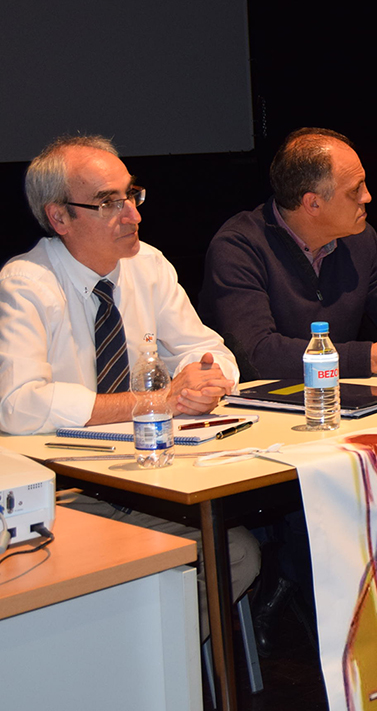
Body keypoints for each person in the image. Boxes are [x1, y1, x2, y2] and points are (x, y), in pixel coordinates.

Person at [0, 135, 258, 629]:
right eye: (107, 203)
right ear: (59, 218)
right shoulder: (25, 284)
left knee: (236, 552)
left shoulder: (149, 265)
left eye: (131, 196)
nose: (133, 216)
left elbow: (209, 350)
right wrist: (155, 400)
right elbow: (18, 405)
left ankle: (159, 684)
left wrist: (205, 380)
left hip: (155, 477)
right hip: (67, 497)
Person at [200, 127, 377, 380]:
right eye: (354, 190)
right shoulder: (239, 247)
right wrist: (371, 358)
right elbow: (255, 355)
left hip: (336, 396)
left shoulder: (360, 239)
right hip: (264, 408)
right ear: (313, 203)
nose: (367, 197)